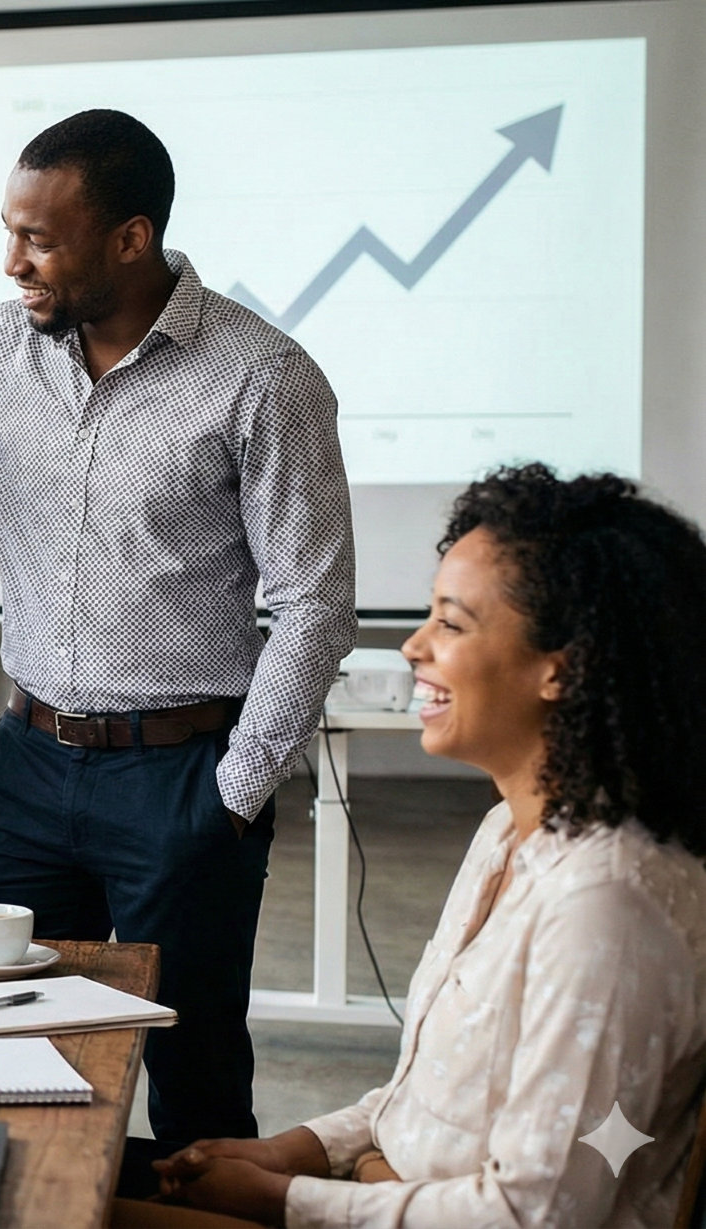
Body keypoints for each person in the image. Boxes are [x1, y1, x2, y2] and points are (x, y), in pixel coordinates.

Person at [0, 108, 356, 1148]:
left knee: (191, 1081)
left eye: (38, 240)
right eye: (9, 232)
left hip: (183, 778)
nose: (12, 262)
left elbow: (315, 603)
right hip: (27, 774)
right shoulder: (0, 346)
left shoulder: (263, 377)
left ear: (131, 239)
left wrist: (233, 794)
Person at [141, 465, 706, 1229]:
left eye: (450, 623)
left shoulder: (602, 905)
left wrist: (287, 1197)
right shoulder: (509, 829)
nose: (412, 646)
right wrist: (298, 1150)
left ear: (559, 667)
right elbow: (431, 1099)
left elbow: (534, 1214)